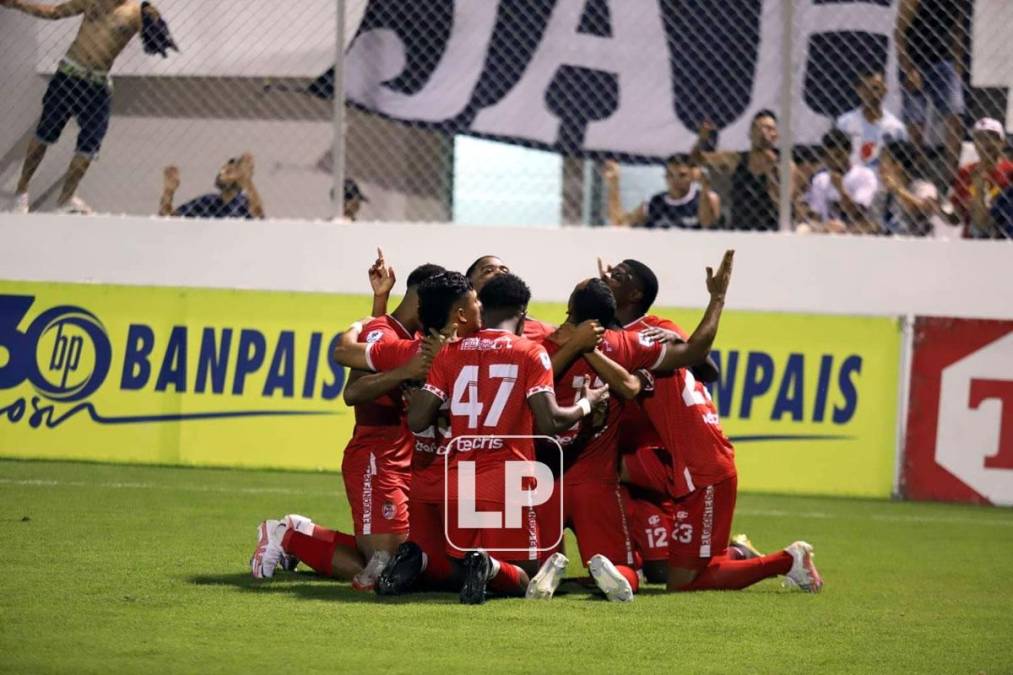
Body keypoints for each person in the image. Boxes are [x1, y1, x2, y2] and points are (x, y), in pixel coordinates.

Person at [599, 257, 824, 594]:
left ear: (635, 293)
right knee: (607, 470)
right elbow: (704, 367)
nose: (609, 277)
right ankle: (731, 552)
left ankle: (787, 561)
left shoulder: (642, 337)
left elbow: (703, 363)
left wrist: (712, 304)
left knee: (680, 583)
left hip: (701, 467)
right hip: (674, 459)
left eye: (619, 276)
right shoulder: (646, 331)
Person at [393, 272, 610, 604]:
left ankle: (423, 561)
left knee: (460, 565)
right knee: (526, 577)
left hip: (460, 476)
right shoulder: (530, 352)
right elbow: (550, 421)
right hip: (507, 478)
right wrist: (587, 403)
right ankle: (491, 566)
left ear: (484, 306)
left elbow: (417, 418)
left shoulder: (451, 353)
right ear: (522, 313)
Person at [4, 0, 170, 214]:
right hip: (68, 76)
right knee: (43, 135)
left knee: (89, 147)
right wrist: (16, 4)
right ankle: (21, 192)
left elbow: (155, 33)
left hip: (98, 86)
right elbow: (55, 12)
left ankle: (66, 199)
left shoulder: (136, 12)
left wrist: (155, 22)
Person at [896, 0, 969, 188]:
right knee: (915, 122)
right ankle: (916, 170)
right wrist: (908, 68)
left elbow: (957, 32)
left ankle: (951, 177)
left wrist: (958, 67)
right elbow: (899, 32)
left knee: (956, 118)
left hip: (944, 63)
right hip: (916, 63)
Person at [692, 111, 800, 231]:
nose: (763, 132)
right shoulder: (736, 159)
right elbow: (698, 159)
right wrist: (701, 139)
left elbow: (784, 204)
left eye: (769, 129)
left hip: (771, 232)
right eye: (759, 128)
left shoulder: (785, 165)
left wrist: (772, 171)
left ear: (776, 135)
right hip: (739, 231)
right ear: (750, 133)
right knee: (728, 251)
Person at [602, 155, 720, 229]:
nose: (675, 180)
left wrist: (705, 186)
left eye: (682, 175)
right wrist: (614, 184)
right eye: (670, 175)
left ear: (693, 175)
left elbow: (707, 224)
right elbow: (619, 223)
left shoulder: (703, 198)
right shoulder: (654, 202)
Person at [804, 129, 880, 234]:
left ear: (848, 152)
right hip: (827, 233)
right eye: (828, 157)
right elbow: (816, 214)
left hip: (857, 233)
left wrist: (840, 189)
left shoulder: (864, 175)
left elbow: (859, 213)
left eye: (838, 155)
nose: (834, 161)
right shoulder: (820, 179)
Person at [465, 256, 555, 341]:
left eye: (505, 271)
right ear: (469, 284)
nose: (499, 273)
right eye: (488, 271)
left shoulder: (543, 332)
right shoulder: (459, 330)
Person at [950, 118, 1013, 239]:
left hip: (1001, 236)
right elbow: (956, 217)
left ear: (1003, 143)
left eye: (992, 137)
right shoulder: (966, 171)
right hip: (971, 237)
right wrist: (936, 208)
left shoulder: (1010, 171)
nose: (986, 142)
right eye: (980, 138)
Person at [835, 68, 908, 171]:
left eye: (875, 88)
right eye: (865, 88)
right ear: (858, 90)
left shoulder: (896, 128)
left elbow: (901, 163)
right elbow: (836, 158)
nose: (871, 93)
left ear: (885, 89)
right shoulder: (844, 123)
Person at [159, 154, 265, 219]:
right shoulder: (207, 201)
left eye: (228, 172)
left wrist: (247, 181)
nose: (221, 174)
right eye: (221, 171)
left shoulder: (244, 203)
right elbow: (168, 218)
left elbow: (259, 217)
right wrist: (168, 192)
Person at [875, 139, 942, 236]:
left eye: (884, 162)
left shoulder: (923, 187)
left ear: (898, 166)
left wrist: (899, 190)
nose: (879, 169)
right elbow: (874, 224)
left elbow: (927, 208)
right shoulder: (882, 193)